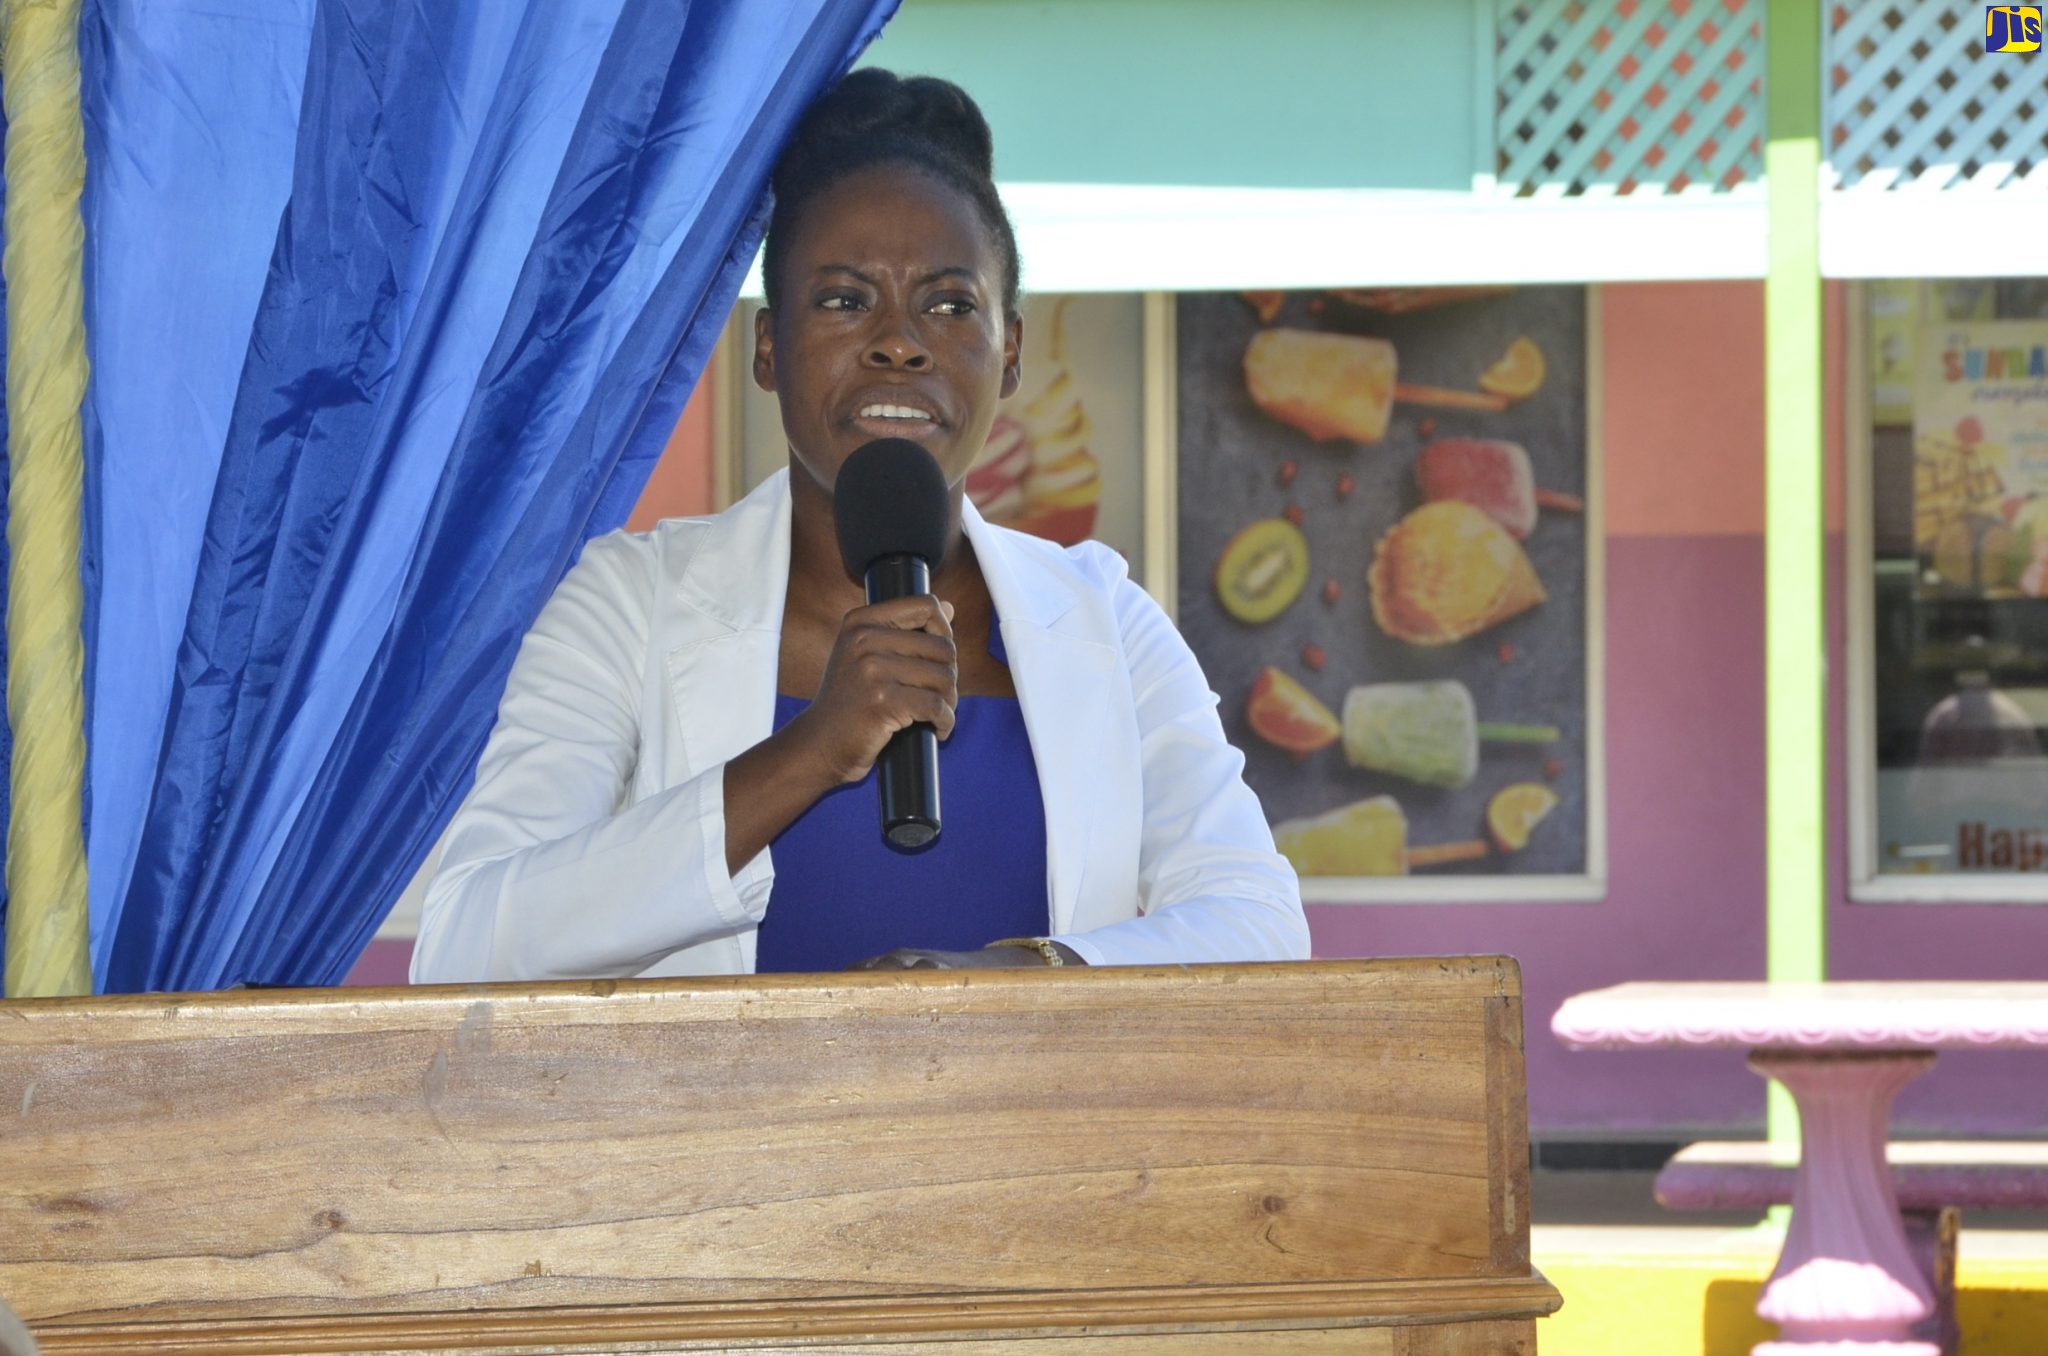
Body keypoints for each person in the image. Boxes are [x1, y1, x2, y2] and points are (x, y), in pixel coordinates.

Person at [410, 70, 1308, 983]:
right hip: (720, 1129)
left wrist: (1024, 973)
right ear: (768, 348)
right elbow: (466, 945)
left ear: (1010, 356)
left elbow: (1256, 918)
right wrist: (813, 749)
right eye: (844, 299)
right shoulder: (628, 601)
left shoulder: (1102, 617)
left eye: (951, 304)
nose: (899, 342)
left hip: (1027, 1126)